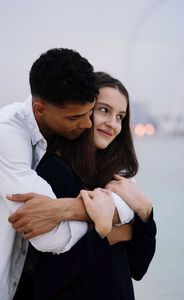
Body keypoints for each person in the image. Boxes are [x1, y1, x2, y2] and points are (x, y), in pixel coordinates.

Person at [29, 72, 156, 299]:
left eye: (120, 116)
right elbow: (43, 281)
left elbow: (138, 268)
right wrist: (103, 233)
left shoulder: (113, 179)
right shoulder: (55, 172)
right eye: (104, 110)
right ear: (84, 109)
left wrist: (146, 212)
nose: (113, 124)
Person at [0, 48, 115, 300]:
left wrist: (63, 209)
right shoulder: (6, 135)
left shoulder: (66, 139)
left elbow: (130, 195)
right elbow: (50, 238)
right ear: (39, 109)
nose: (87, 124)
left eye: (90, 112)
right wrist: (111, 226)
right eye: (75, 117)